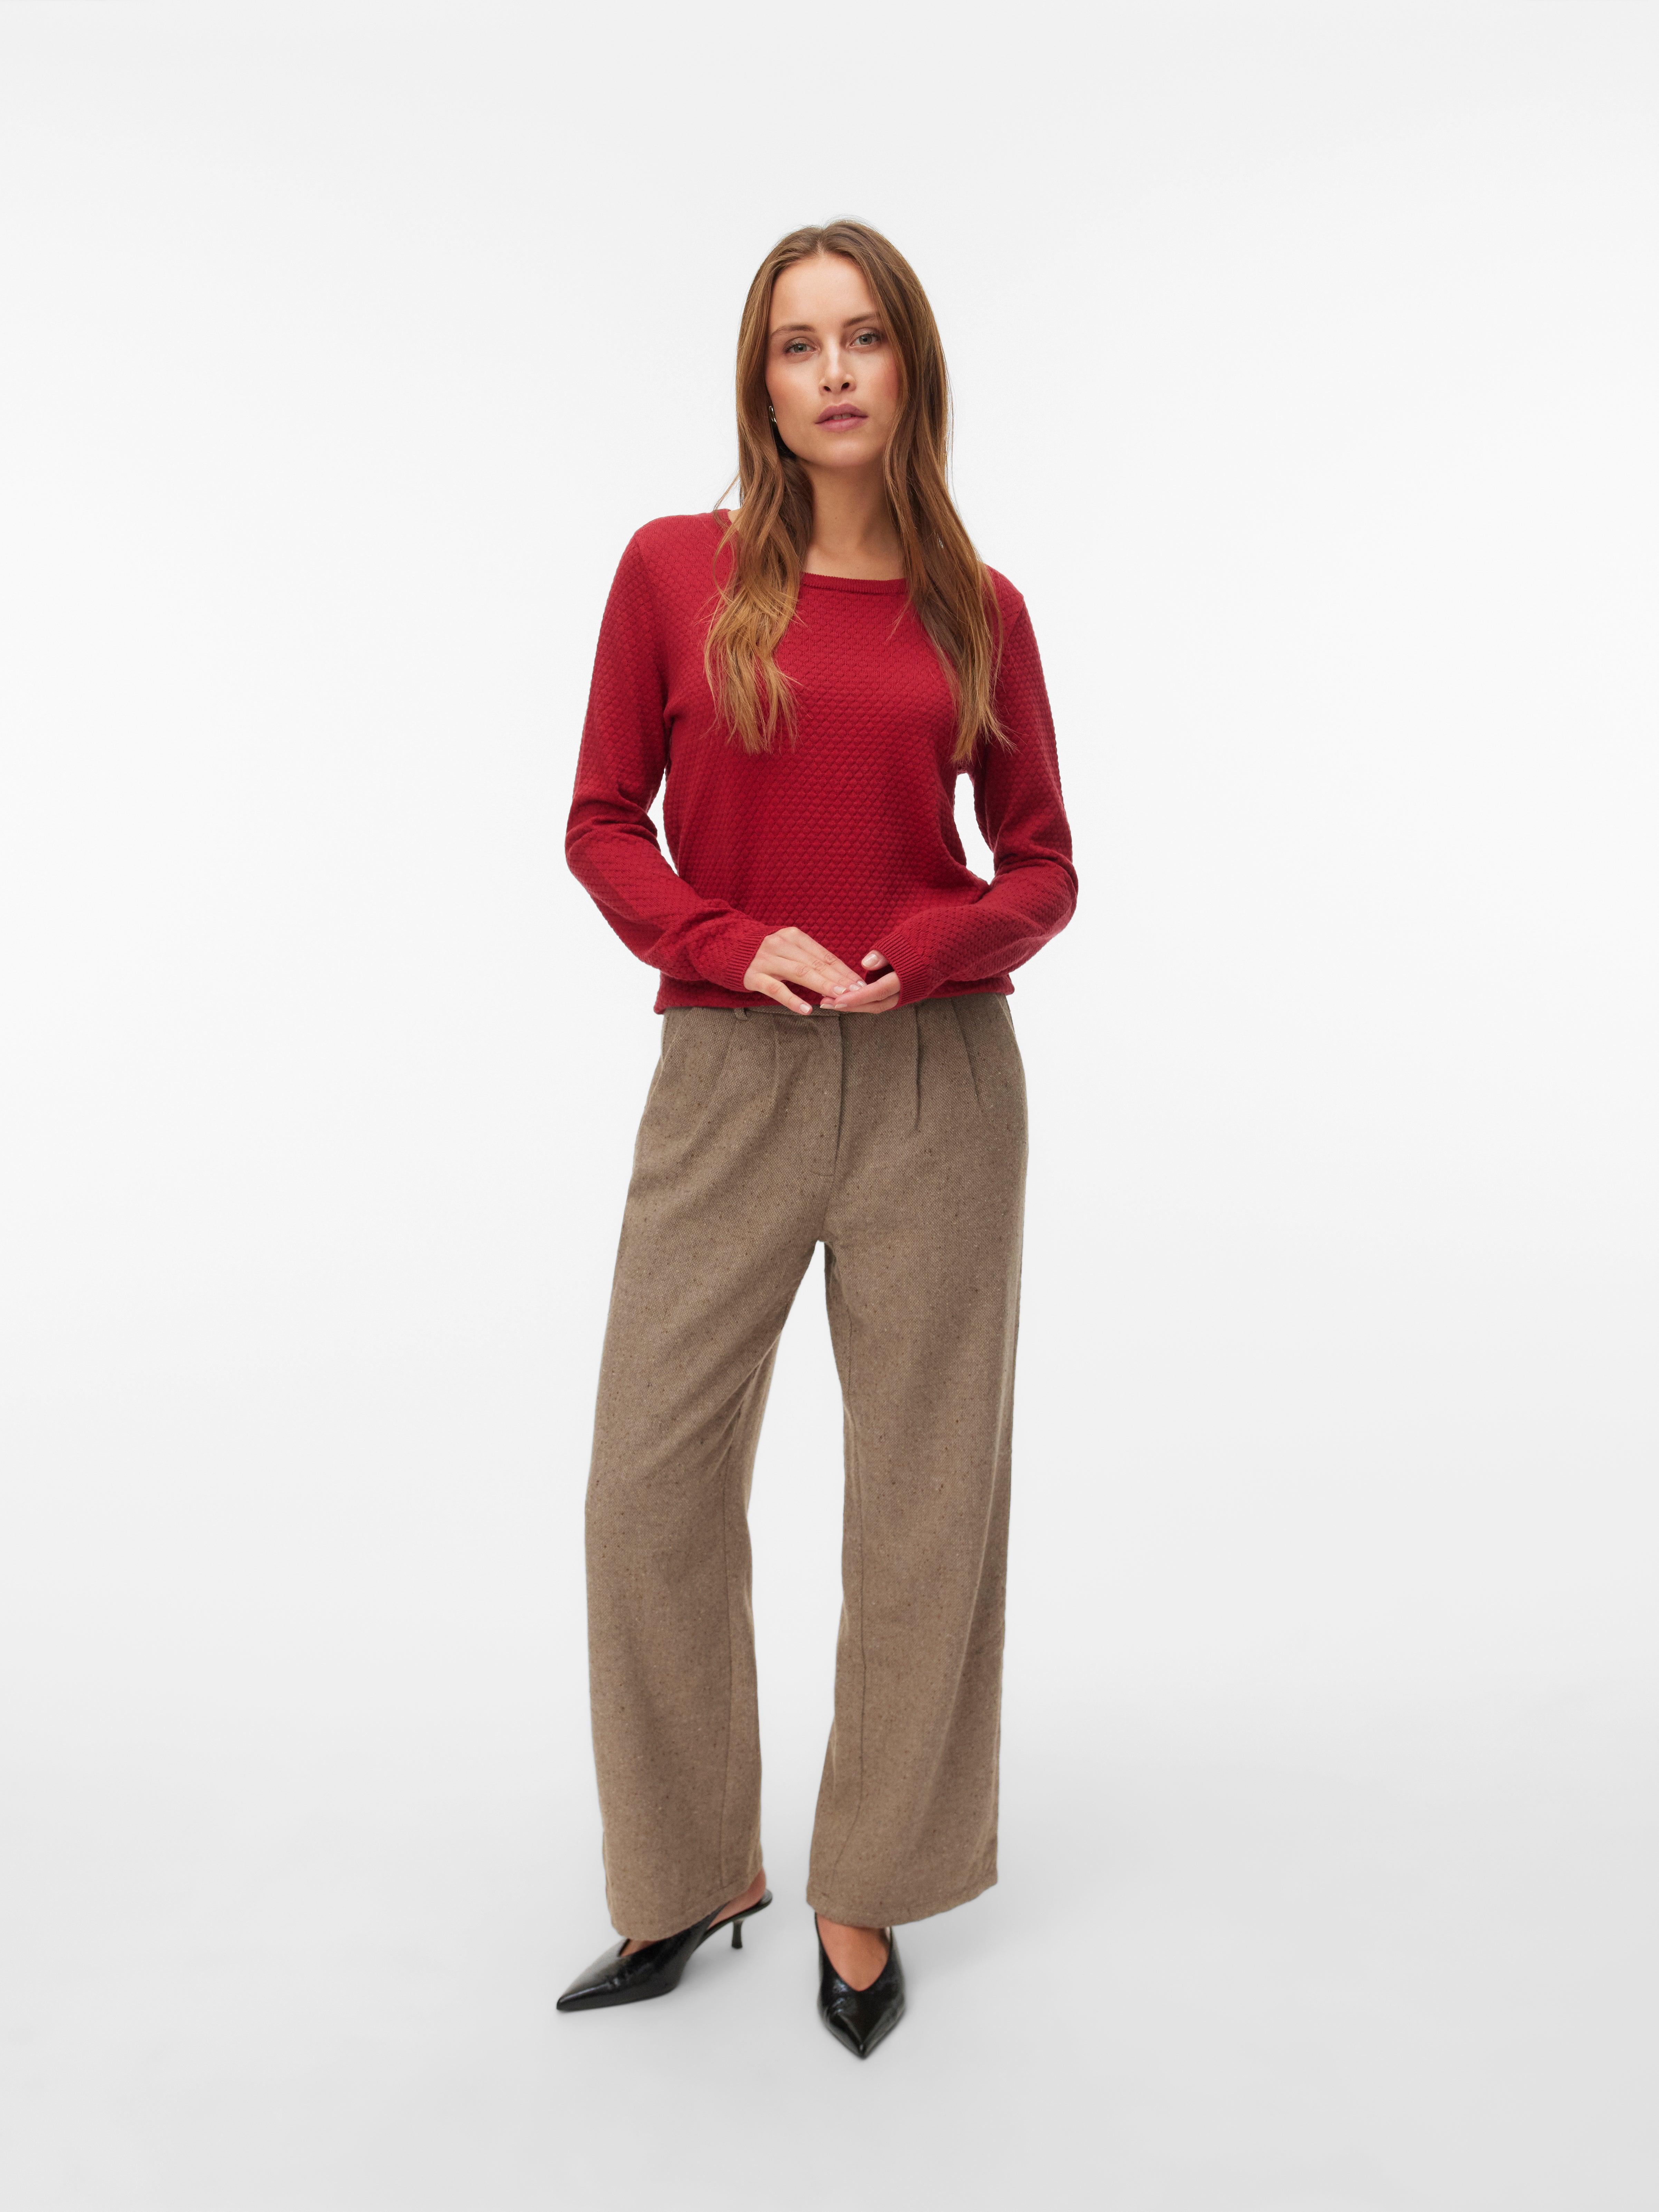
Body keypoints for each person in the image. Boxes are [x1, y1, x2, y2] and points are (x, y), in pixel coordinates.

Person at [555, 218, 1077, 2058]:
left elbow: (1043, 866)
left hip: (940, 1080)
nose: (835, 371)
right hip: (729, 1072)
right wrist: (723, 940)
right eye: (799, 343)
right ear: (760, 380)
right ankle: (689, 1870)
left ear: (910, 366)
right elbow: (602, 820)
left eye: (865, 337)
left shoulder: (978, 606)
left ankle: (869, 1883)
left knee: (926, 1500)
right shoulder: (673, 571)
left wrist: (927, 949)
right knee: (647, 1486)